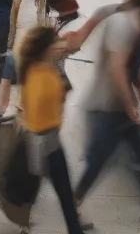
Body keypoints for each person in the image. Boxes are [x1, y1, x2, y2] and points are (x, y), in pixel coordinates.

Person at [74, 0, 140, 229]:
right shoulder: (123, 25)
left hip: (121, 106)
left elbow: (130, 68)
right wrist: (130, 104)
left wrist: (136, 98)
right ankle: (73, 205)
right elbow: (117, 69)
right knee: (99, 160)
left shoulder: (134, 25)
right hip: (108, 107)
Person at [15, 25, 90, 234]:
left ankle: (26, 220)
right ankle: (73, 227)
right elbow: (36, 109)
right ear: (45, 47)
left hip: (44, 138)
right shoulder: (39, 74)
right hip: (43, 139)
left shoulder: (41, 68)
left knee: (46, 186)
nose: (60, 44)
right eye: (55, 42)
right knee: (51, 188)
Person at [0, 0, 49, 115]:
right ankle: (23, 106)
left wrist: (10, 44)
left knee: (7, 72)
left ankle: (0, 105)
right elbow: (41, 24)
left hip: (17, 43)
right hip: (31, 45)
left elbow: (13, 23)